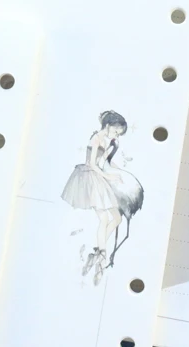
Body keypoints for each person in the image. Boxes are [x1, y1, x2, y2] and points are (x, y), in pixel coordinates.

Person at [61, 110, 142, 284]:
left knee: (117, 218)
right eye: (116, 131)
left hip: (99, 177)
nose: (117, 135)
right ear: (108, 125)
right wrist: (108, 176)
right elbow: (92, 164)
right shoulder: (96, 138)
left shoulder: (106, 141)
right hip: (90, 178)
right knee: (104, 218)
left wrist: (118, 171)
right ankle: (102, 257)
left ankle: (98, 252)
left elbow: (103, 161)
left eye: (119, 133)